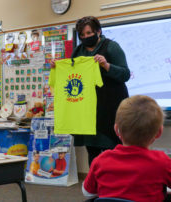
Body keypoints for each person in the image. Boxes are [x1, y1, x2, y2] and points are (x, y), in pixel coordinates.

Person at [82, 95, 171, 202]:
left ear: (116, 129)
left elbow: (87, 192)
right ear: (159, 132)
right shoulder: (161, 162)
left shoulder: (101, 160)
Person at [51, 16, 130, 166]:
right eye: (82, 35)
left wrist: (107, 65)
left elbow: (125, 74)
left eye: (89, 33)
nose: (86, 37)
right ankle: (94, 185)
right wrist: (58, 67)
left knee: (111, 149)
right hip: (87, 109)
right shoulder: (78, 51)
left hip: (110, 108)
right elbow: (71, 75)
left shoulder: (112, 47)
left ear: (98, 31)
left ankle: (114, 185)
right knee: (92, 150)